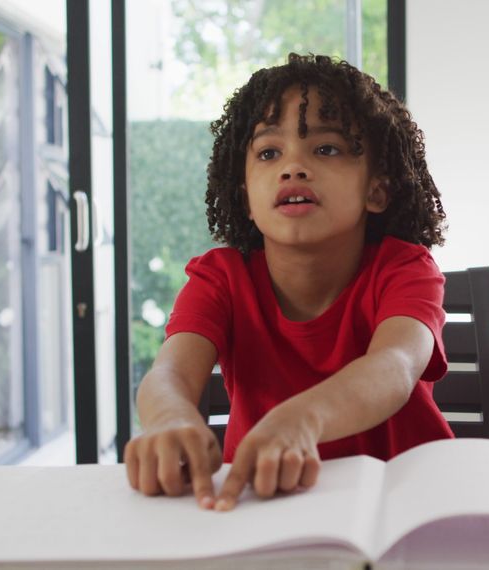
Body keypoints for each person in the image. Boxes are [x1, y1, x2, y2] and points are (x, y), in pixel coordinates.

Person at [124, 53, 452, 512]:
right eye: (268, 152)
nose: (292, 167)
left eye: (326, 149)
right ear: (246, 199)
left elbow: (394, 365)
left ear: (376, 190)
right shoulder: (220, 277)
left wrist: (303, 418)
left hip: (405, 507)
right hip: (264, 505)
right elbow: (170, 373)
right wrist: (168, 419)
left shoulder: (406, 269)